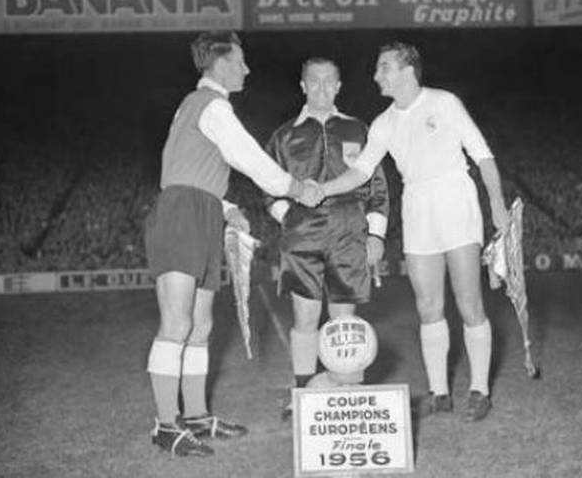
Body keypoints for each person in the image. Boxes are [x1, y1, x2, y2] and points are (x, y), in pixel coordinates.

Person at [143, 31, 323, 458]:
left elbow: (189, 166)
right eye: (240, 61)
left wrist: (224, 208)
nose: (246, 68)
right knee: (177, 323)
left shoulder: (197, 106)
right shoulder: (212, 105)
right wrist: (296, 187)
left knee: (202, 325)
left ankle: (198, 415)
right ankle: (166, 425)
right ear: (220, 63)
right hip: (183, 214)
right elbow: (250, 158)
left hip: (201, 210)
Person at [319, 42, 509, 423]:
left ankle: (479, 389)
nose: (376, 76)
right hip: (417, 205)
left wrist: (497, 204)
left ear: (407, 70)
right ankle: (439, 391)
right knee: (427, 305)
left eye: (383, 68)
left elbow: (482, 153)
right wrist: (322, 189)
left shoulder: (444, 102)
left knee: (469, 301)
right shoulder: (384, 123)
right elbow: (361, 172)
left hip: (455, 198)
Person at [264, 57, 389, 420]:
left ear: (338, 86)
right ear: (302, 86)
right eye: (313, 82)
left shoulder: (358, 129)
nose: (321, 88)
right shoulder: (284, 134)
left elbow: (377, 186)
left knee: (343, 321)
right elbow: (267, 188)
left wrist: (376, 234)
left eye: (328, 82)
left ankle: (347, 393)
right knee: (305, 316)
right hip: (302, 235)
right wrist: (290, 219)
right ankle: (303, 392)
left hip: (349, 230)